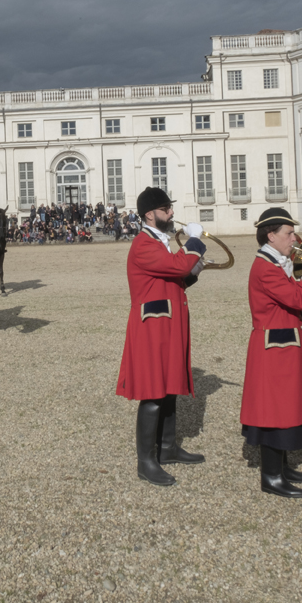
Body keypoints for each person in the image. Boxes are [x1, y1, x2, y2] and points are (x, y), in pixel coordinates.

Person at [115, 187, 208, 487]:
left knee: (168, 390)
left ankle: (167, 449)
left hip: (166, 325)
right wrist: (194, 242)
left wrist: (192, 274)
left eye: (169, 207)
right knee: (153, 394)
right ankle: (146, 462)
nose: (171, 213)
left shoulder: (160, 242)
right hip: (151, 329)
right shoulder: (144, 244)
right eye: (166, 208)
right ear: (149, 215)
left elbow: (174, 278)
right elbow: (177, 266)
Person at [241, 207, 302, 498]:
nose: (294, 238)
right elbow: (298, 298)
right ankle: (270, 476)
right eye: (289, 233)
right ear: (271, 235)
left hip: (284, 344)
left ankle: (281, 466)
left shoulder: (276, 260)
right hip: (273, 347)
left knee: (287, 405)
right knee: (273, 411)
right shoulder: (266, 266)